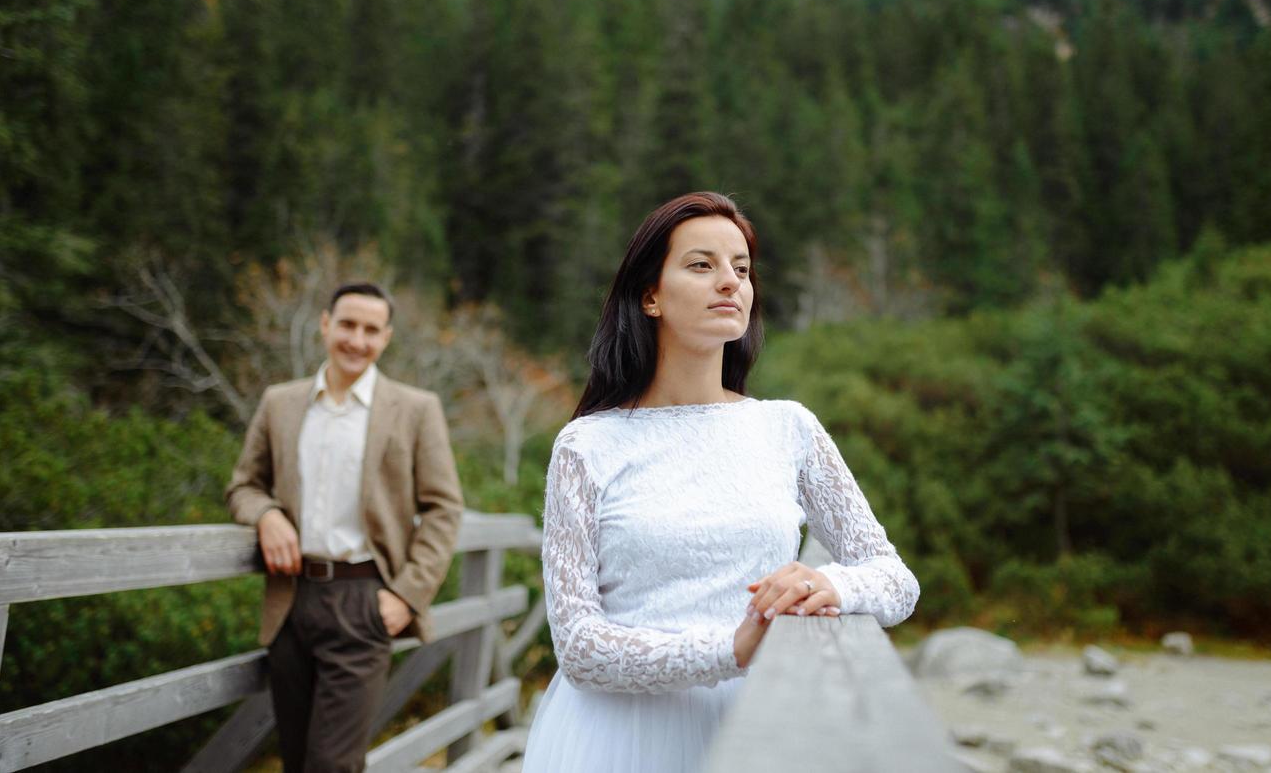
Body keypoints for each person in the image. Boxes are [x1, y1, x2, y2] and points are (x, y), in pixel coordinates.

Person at [522, 192, 919, 773]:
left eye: (741, 268)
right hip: (617, 739)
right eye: (701, 265)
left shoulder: (788, 428)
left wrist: (831, 585)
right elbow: (579, 645)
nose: (729, 282)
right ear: (650, 295)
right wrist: (730, 648)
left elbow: (896, 580)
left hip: (759, 729)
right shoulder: (587, 445)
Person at [226, 282, 464, 773]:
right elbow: (244, 486)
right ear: (325, 324)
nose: (358, 340)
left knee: (332, 764)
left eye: (371, 330)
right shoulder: (280, 403)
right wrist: (266, 515)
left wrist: (406, 595)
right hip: (290, 602)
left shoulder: (416, 409)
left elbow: (444, 508)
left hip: (365, 601)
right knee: (296, 760)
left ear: (387, 337)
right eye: (348, 325)